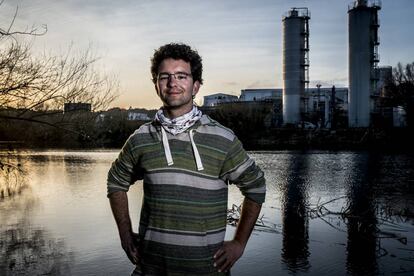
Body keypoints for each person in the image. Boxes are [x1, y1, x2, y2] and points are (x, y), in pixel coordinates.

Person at [107, 43, 266, 275]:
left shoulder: (223, 139)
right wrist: (124, 233)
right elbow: (115, 182)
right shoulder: (140, 139)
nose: (173, 83)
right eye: (165, 77)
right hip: (150, 270)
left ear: (196, 86)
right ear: (156, 85)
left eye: (182, 76)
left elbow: (256, 187)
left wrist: (239, 243)